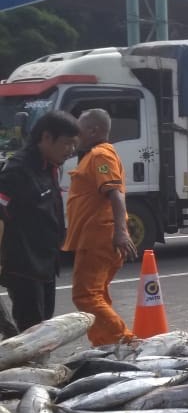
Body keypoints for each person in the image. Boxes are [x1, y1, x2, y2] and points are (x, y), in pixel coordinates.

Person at [63, 109, 138, 346]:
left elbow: (115, 194)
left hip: (98, 236)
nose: (75, 135)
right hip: (96, 235)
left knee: (85, 296)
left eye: (79, 129)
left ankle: (124, 340)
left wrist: (120, 231)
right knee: (98, 294)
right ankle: (105, 344)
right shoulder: (95, 155)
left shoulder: (100, 155)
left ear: (94, 131)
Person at [0, 111, 80, 332]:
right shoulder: (18, 170)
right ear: (46, 138)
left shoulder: (50, 166)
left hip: (46, 262)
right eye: (67, 143)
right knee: (32, 328)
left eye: (74, 144)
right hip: (24, 264)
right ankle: (30, 365)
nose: (71, 150)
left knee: (44, 323)